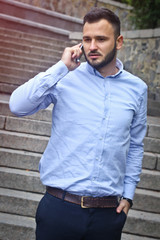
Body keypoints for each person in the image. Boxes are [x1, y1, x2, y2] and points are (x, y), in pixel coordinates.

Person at [9, 7, 147, 240]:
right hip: (59, 209)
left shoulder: (138, 89)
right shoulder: (65, 78)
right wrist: (61, 67)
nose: (92, 46)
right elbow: (17, 105)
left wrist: (128, 195)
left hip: (108, 215)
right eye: (87, 39)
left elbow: (135, 145)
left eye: (101, 39)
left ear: (119, 41)